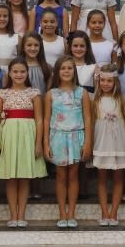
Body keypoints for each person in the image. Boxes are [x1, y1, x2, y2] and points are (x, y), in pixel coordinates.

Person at [0, 58, 45, 227]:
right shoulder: (2, 94)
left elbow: (39, 120)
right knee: (11, 178)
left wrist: (38, 143)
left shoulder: (34, 93)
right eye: (15, 71)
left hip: (27, 136)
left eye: (22, 71)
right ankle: (12, 215)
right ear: (9, 73)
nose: (19, 74)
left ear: (27, 73)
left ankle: (21, 215)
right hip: (8, 135)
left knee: (24, 177)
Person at [46, 58, 92, 228]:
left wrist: (87, 142)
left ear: (74, 71)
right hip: (57, 137)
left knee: (73, 175)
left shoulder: (82, 93)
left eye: (69, 68)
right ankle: (62, 213)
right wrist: (45, 143)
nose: (66, 71)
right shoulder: (51, 94)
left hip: (76, 136)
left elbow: (88, 118)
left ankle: (71, 213)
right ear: (57, 71)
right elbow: (46, 119)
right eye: (63, 68)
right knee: (60, 175)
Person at [89, 64, 125, 226]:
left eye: (109, 81)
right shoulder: (94, 100)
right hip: (101, 143)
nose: (106, 84)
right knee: (102, 178)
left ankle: (114, 213)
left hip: (118, 144)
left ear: (115, 82)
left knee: (119, 178)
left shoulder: (122, 100)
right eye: (103, 80)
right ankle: (105, 212)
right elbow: (91, 123)